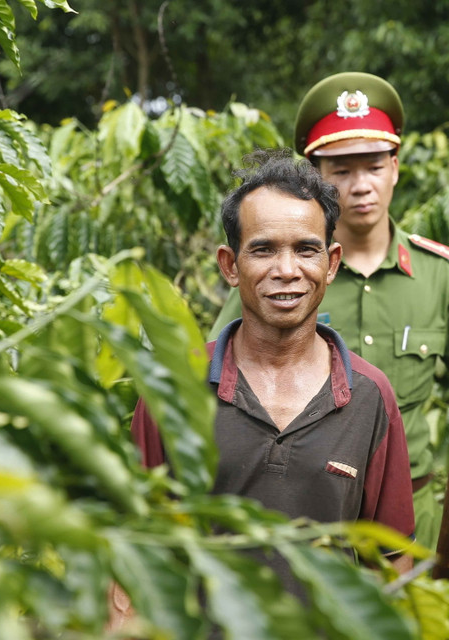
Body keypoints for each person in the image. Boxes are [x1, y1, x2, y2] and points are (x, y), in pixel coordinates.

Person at [210, 73, 449, 550]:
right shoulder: (282, 277)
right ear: (315, 179)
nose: (360, 187)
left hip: (411, 514)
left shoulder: (439, 275)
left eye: (373, 167)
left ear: (394, 167)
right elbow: (221, 375)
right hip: (305, 508)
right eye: (341, 171)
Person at [114, 150, 415, 631]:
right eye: (263, 250)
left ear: (331, 262)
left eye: (306, 249)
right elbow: (133, 553)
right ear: (230, 265)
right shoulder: (173, 386)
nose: (287, 270)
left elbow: (392, 561)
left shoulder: (369, 396)